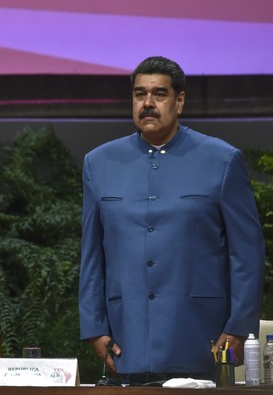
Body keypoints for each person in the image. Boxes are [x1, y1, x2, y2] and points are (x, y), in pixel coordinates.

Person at [79, 56, 265, 384]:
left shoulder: (221, 160)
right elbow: (92, 255)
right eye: (139, 94)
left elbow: (247, 254)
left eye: (159, 94)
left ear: (179, 101)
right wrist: (95, 329)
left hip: (200, 338)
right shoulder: (99, 163)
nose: (148, 103)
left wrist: (238, 327)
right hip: (127, 339)